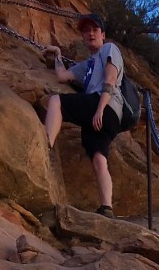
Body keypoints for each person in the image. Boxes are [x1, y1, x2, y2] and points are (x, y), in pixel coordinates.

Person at [41, 15, 128, 216]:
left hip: (105, 106)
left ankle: (45, 146)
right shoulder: (87, 65)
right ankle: (107, 207)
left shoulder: (109, 49)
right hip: (103, 117)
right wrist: (57, 55)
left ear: (103, 35)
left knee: (56, 101)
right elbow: (63, 77)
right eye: (86, 31)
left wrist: (99, 109)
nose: (90, 34)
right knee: (99, 159)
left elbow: (111, 78)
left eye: (95, 30)